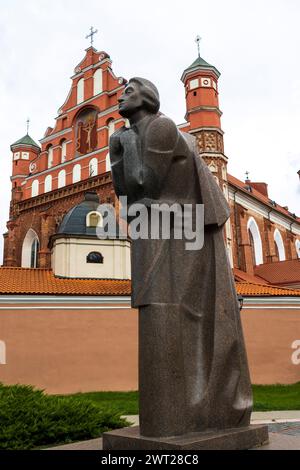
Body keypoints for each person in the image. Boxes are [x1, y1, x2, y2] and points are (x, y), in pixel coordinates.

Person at [110, 77, 253, 438]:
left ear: (147, 99)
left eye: (128, 91)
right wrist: (119, 151)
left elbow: (146, 185)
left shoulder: (160, 127)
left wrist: (123, 148)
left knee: (181, 311)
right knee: (160, 309)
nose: (120, 97)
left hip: (187, 227)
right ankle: (178, 414)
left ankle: (196, 410)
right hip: (157, 226)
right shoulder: (128, 135)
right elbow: (129, 196)